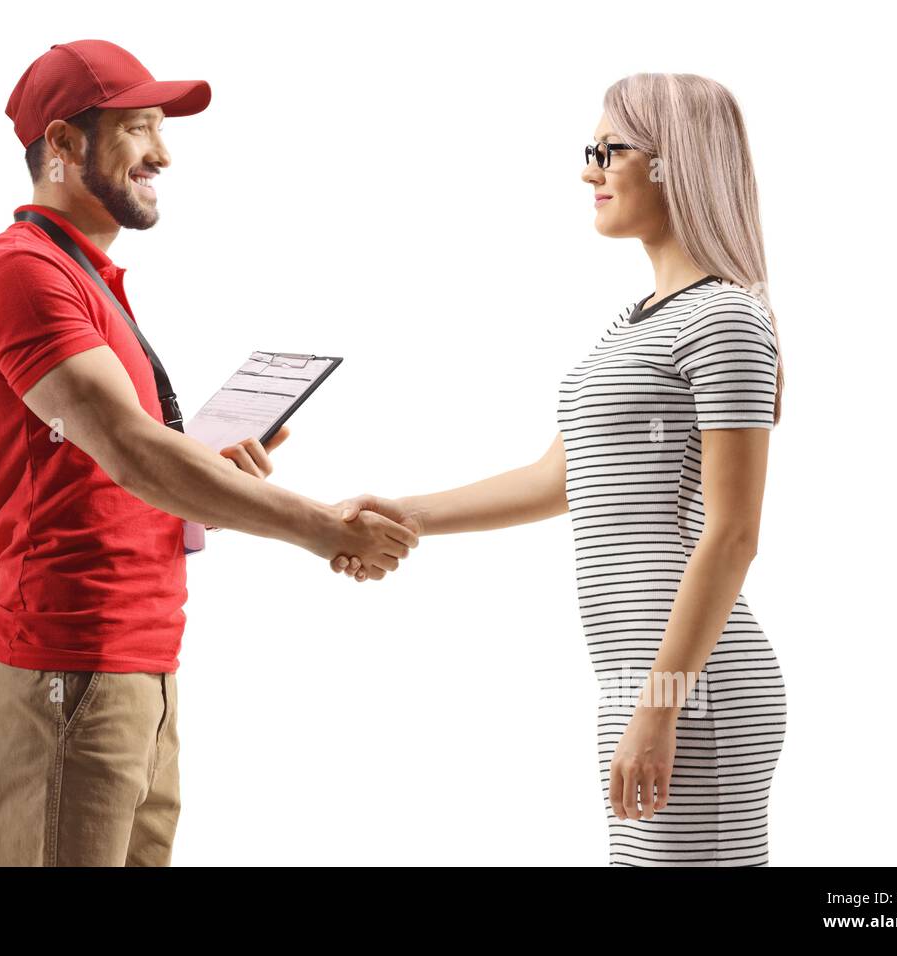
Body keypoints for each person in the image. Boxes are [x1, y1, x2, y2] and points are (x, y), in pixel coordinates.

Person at [0, 39, 417, 867]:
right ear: (61, 145)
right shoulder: (21, 273)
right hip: (72, 664)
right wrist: (321, 529)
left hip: (136, 664)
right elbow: (133, 452)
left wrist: (205, 488)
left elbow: (118, 472)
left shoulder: (84, 277)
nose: (162, 153)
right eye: (137, 129)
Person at [332, 73, 787, 866]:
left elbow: (734, 533)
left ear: (674, 162)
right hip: (641, 686)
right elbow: (559, 480)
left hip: (691, 688)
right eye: (593, 151)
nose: (590, 171)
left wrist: (661, 706)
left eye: (609, 151)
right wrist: (404, 512)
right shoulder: (637, 323)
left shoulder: (727, 317)